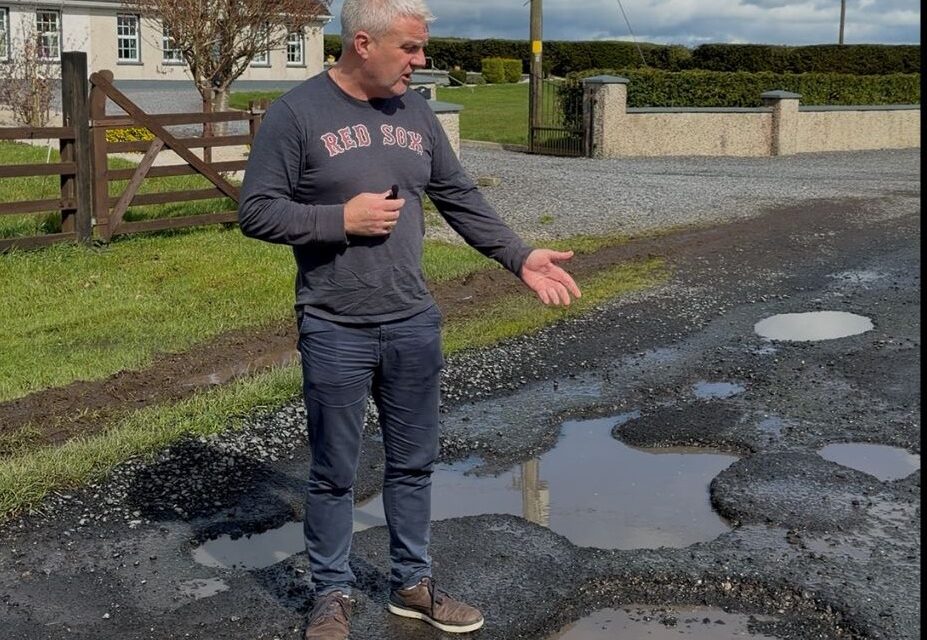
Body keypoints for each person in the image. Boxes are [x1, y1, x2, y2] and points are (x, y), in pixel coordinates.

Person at [238, 1, 581, 638]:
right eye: (411, 50)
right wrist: (339, 221)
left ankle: (412, 584)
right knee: (335, 470)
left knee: (413, 461)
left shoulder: (415, 112)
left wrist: (520, 255)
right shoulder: (296, 114)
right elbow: (256, 211)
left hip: (413, 322)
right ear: (363, 44)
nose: (421, 62)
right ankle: (331, 596)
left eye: (423, 49)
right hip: (335, 324)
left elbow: (459, 195)